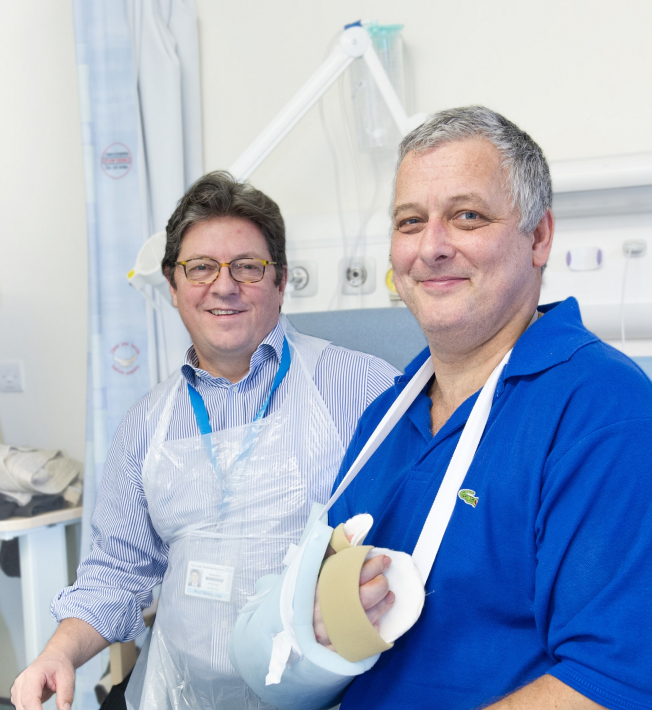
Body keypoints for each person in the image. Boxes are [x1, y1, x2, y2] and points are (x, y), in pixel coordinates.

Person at [240, 106, 652, 710]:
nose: (431, 247)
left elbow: (614, 689)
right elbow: (330, 618)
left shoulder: (606, 417)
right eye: (410, 221)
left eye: (467, 216)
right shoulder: (387, 417)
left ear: (538, 237)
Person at [10, 172, 399, 710]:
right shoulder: (145, 426)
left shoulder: (365, 388)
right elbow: (115, 574)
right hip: (177, 696)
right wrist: (57, 653)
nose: (224, 285)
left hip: (320, 693)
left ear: (281, 280)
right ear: (173, 287)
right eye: (200, 268)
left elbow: (413, 540)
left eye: (247, 266)